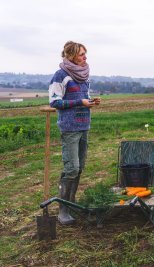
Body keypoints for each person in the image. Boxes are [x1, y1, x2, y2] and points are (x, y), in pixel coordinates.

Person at [48, 41, 100, 224]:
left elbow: (82, 98)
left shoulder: (84, 75)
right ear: (71, 56)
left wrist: (90, 101)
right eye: (81, 54)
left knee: (80, 168)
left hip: (84, 125)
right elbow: (54, 102)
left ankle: (71, 204)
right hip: (69, 128)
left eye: (85, 54)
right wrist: (80, 103)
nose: (85, 57)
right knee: (71, 168)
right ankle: (63, 211)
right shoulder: (60, 75)